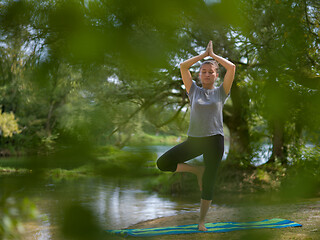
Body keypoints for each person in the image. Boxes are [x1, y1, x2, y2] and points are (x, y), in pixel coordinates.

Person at [156, 40, 236, 231]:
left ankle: (201, 221)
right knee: (163, 163)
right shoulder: (193, 91)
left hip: (215, 140)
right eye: (204, 72)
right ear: (199, 75)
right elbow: (183, 66)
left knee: (209, 182)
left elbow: (232, 67)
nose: (207, 74)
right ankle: (196, 170)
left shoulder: (221, 92)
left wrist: (213, 56)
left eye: (211, 72)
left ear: (217, 75)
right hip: (195, 141)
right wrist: (203, 55)